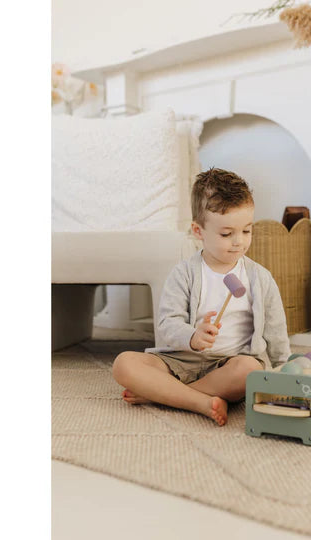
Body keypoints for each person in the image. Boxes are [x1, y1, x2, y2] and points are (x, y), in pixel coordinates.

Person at [112, 168, 290, 426]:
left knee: (250, 370)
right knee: (124, 363)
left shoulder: (260, 278)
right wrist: (193, 337)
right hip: (182, 359)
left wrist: (285, 369)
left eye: (246, 231)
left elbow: (276, 331)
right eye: (226, 234)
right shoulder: (183, 273)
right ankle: (200, 401)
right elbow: (167, 324)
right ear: (198, 231)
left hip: (229, 363)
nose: (239, 242)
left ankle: (165, 394)